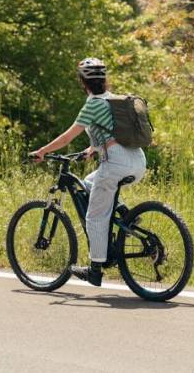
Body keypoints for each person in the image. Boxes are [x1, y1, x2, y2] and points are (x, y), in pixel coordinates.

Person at [30, 57, 146, 286]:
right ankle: (125, 214)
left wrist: (42, 151)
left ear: (83, 82)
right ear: (105, 80)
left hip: (116, 163)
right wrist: (91, 149)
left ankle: (95, 270)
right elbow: (113, 134)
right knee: (89, 183)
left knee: (94, 216)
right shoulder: (113, 100)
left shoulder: (92, 104)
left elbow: (67, 136)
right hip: (137, 160)